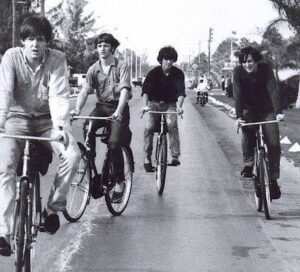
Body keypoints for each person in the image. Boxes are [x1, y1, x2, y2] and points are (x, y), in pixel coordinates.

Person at [0, 16, 80, 256]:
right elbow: (4, 90)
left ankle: (52, 209)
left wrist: (60, 127)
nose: (35, 44)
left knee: (73, 154)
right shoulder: (11, 57)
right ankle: (4, 231)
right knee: (5, 167)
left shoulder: (57, 59)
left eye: (41, 39)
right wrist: (1, 119)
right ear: (23, 41)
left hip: (47, 122)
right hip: (16, 120)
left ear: (48, 42)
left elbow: (58, 95)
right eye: (31, 39)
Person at [70, 33, 132, 201]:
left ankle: (120, 182)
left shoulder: (121, 66)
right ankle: (90, 162)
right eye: (99, 46)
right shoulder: (94, 69)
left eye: (106, 45)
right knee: (88, 126)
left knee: (114, 144)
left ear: (112, 47)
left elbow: (125, 90)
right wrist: (76, 109)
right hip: (102, 107)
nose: (102, 48)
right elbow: (84, 91)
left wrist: (119, 110)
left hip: (119, 108)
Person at [233, 46, 284, 200]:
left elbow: (273, 90)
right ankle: (249, 164)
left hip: (267, 110)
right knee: (247, 132)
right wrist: (238, 116)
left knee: (274, 142)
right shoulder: (238, 72)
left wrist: (279, 112)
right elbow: (238, 94)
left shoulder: (266, 69)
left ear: (256, 61)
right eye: (244, 62)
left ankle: (273, 178)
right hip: (249, 110)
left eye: (250, 61)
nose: (247, 64)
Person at [142, 46, 185, 172]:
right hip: (154, 104)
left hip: (170, 105)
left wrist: (179, 107)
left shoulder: (178, 74)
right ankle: (147, 158)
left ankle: (175, 156)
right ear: (161, 59)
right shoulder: (153, 73)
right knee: (149, 127)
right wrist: (145, 106)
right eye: (166, 59)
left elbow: (181, 93)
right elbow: (145, 92)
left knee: (172, 124)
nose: (169, 62)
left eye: (171, 59)